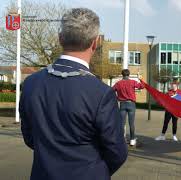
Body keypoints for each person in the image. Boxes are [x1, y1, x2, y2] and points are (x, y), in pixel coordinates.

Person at [19, 8, 127, 180]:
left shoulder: (31, 83)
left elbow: (30, 138)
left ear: (60, 39)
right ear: (95, 42)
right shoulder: (101, 93)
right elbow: (117, 152)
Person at [113, 69, 144, 146]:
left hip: (122, 104)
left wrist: (117, 97)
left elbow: (111, 90)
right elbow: (142, 86)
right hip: (131, 104)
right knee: (131, 123)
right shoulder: (133, 82)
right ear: (129, 74)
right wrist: (140, 79)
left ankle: (122, 139)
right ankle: (132, 139)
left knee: (122, 123)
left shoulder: (118, 83)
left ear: (122, 74)